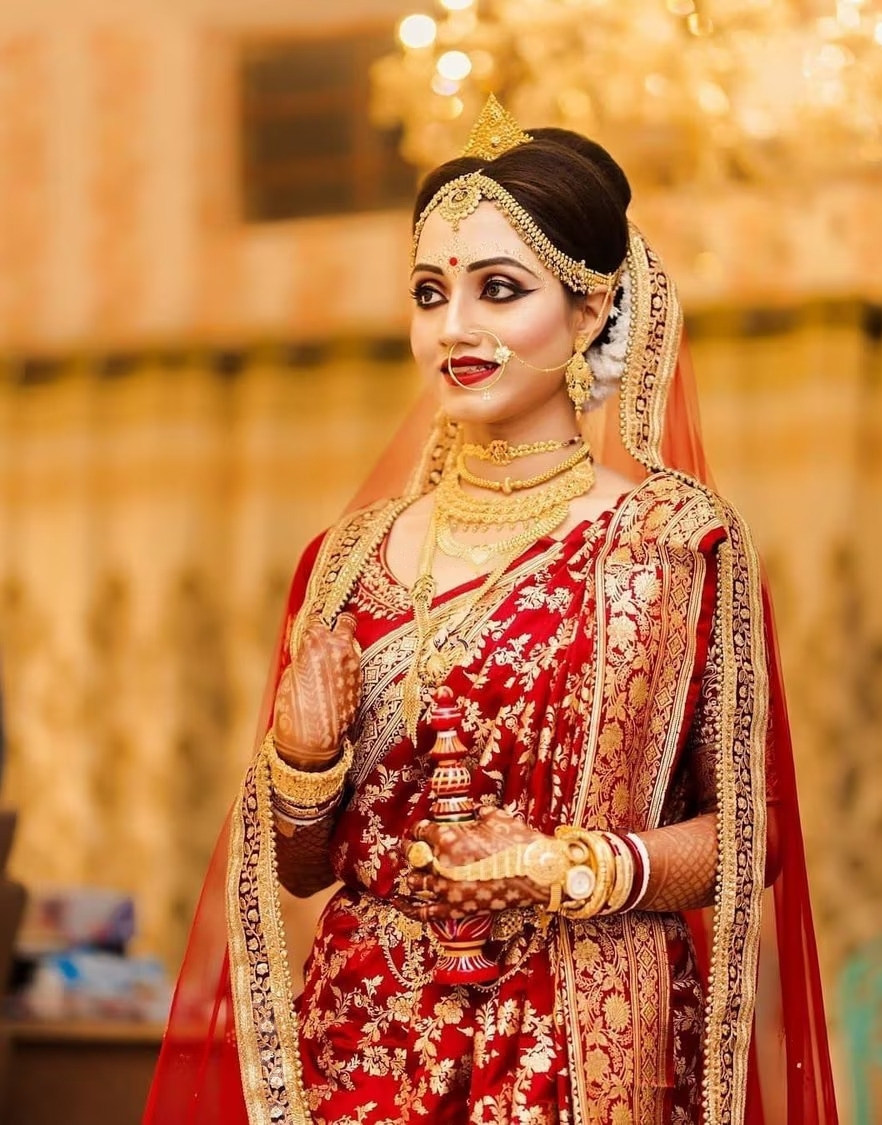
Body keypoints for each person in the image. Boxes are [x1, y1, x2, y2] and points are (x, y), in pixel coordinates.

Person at [144, 97, 838, 1125]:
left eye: (499, 290)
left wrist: (567, 864)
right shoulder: (346, 561)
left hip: (584, 1033)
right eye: (431, 293)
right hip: (369, 1032)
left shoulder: (672, 544)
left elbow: (750, 839)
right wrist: (302, 762)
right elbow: (302, 870)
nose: (454, 329)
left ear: (594, 309)